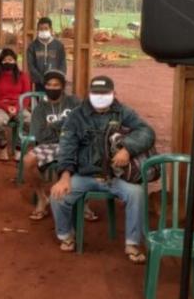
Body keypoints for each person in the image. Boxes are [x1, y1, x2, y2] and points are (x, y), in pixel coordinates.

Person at [49, 75, 155, 263]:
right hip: (85, 175)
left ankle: (132, 243)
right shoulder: (76, 116)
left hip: (115, 177)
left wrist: (127, 148)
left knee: (136, 193)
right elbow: (67, 147)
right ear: (88, 94)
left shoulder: (123, 112)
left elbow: (147, 132)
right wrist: (65, 177)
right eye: (96, 93)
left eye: (105, 93)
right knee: (58, 194)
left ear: (114, 94)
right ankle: (66, 235)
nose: (100, 97)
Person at [23, 69, 82, 220]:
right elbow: (40, 135)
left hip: (75, 143)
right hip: (51, 145)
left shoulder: (74, 102)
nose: (52, 88)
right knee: (28, 160)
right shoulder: (39, 109)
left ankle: (84, 203)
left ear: (62, 86)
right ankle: (42, 197)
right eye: (49, 84)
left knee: (89, 157)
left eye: (56, 85)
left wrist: (54, 126)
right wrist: (65, 128)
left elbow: (82, 124)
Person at [0, 48, 32, 161]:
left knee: (28, 120)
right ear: (1, 61)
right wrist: (6, 107)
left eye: (11, 60)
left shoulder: (22, 76)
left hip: (19, 106)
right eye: (5, 60)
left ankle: (19, 149)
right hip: (0, 106)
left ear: (15, 61)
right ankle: (2, 148)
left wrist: (16, 108)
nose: (8, 62)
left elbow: (26, 96)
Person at [26, 17, 67, 92]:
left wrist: (57, 79)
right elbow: (31, 66)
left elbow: (63, 64)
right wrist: (42, 80)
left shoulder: (59, 45)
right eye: (41, 29)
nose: (43, 31)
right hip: (39, 84)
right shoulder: (32, 46)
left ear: (51, 30)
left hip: (56, 84)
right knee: (41, 103)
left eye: (46, 28)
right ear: (37, 30)